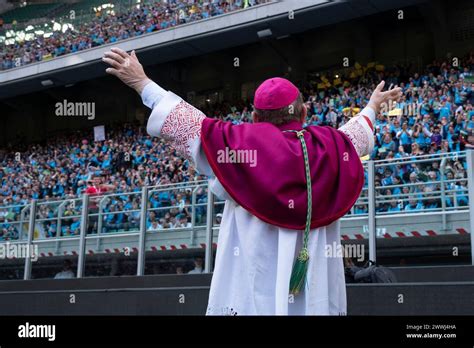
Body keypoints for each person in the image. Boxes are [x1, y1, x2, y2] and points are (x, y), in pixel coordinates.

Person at [102, 47, 402, 315]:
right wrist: (373, 107)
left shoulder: (236, 144)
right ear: (305, 112)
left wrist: (141, 82)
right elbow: (357, 133)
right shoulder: (331, 146)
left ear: (255, 117)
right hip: (315, 295)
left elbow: (186, 122)